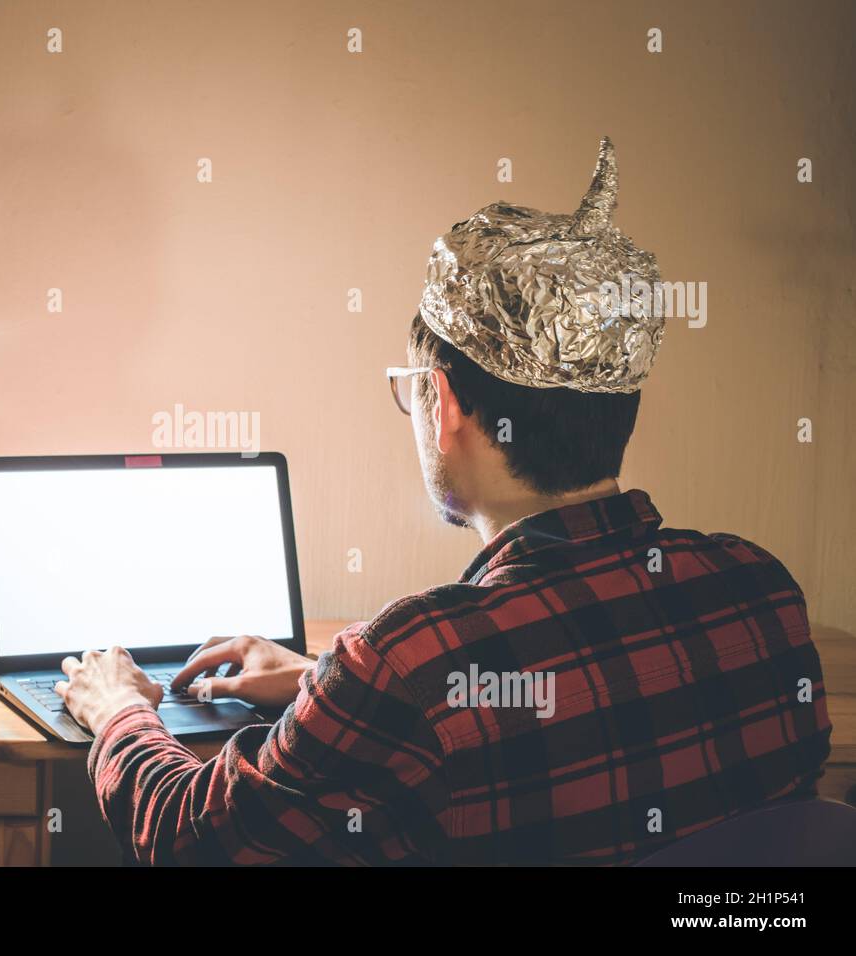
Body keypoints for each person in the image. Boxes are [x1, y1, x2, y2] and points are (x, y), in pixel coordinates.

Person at [55, 138, 833, 865]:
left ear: (444, 402)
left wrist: (119, 706)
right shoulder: (756, 587)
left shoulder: (411, 658)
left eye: (410, 393)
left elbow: (193, 837)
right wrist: (322, 682)